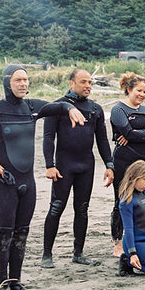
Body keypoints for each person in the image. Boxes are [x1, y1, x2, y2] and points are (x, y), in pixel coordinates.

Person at [0, 64, 85, 290]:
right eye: (18, 80)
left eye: (25, 80)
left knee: (22, 234)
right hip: (5, 183)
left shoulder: (32, 107)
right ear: (7, 82)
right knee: (5, 234)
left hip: (28, 183)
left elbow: (57, 106)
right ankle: (2, 285)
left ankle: (16, 283)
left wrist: (69, 108)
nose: (23, 84)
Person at [41, 69, 114, 268]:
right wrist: (50, 165)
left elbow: (102, 140)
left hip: (86, 165)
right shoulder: (56, 106)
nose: (88, 86)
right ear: (72, 83)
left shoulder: (95, 109)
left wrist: (109, 164)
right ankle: (47, 254)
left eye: (90, 82)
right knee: (56, 207)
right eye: (83, 82)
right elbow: (48, 138)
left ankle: (78, 253)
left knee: (82, 209)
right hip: (64, 165)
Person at [110, 73, 145, 256]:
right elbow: (129, 133)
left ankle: (138, 239)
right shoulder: (118, 110)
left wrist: (138, 134)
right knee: (122, 200)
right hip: (124, 160)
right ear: (129, 89)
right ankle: (118, 243)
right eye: (139, 90)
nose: (142, 94)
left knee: (143, 199)